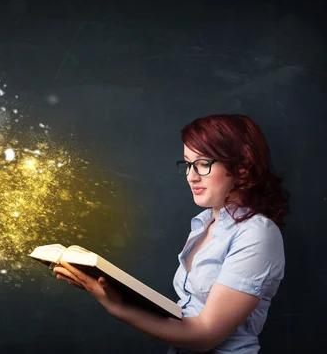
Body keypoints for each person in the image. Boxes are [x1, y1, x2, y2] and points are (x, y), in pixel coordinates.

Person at [53, 114, 290, 353]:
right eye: (188, 164)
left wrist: (118, 308)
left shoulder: (258, 234)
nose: (191, 176)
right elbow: (183, 316)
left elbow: (205, 335)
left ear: (242, 166)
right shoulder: (204, 224)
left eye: (203, 164)